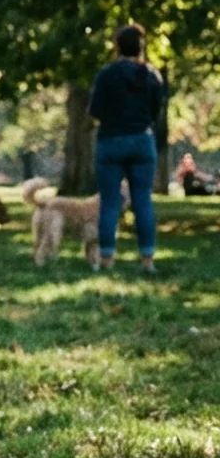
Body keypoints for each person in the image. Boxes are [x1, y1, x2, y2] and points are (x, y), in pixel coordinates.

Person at [89, 24, 167, 273]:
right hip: (142, 141)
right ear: (141, 47)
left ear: (117, 47)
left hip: (111, 140)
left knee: (110, 202)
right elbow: (157, 111)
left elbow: (95, 110)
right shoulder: (153, 77)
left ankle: (107, 259)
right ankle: (147, 260)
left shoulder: (106, 75)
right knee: (142, 200)